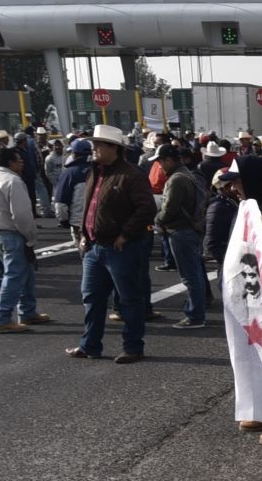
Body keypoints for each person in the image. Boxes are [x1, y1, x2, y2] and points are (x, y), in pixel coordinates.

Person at [67, 124, 156, 364]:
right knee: (91, 298)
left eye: (98, 145)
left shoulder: (131, 174)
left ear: (114, 148)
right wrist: (85, 233)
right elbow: (90, 207)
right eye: (93, 144)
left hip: (121, 247)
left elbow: (147, 209)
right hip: (94, 247)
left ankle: (133, 347)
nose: (93, 148)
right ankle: (90, 345)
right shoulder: (94, 172)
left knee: (129, 299)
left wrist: (125, 235)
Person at [0, 146, 48, 333]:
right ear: (10, 162)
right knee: (14, 277)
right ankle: (1, 318)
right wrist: (30, 238)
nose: (22, 162)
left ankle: (27, 311)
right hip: (13, 233)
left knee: (25, 272)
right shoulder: (13, 181)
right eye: (19, 160)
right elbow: (21, 215)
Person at [155, 144, 212, 328]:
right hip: (193, 229)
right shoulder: (190, 174)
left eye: (161, 162)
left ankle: (195, 315)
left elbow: (168, 209)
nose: (160, 166)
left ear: (170, 160)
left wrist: (157, 220)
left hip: (181, 231)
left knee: (189, 275)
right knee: (195, 273)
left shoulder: (176, 180)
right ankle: (198, 310)